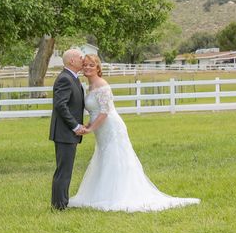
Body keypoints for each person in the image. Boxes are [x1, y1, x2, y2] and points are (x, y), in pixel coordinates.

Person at [68, 54, 200, 212]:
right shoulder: (89, 86)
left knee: (115, 157)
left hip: (111, 127)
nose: (88, 68)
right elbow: (95, 112)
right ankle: (102, 193)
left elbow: (105, 112)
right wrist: (88, 125)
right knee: (104, 157)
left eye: (91, 65)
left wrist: (90, 129)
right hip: (100, 129)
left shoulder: (102, 85)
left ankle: (118, 195)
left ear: (98, 67)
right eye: (85, 65)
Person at [49, 48, 88, 210]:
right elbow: (60, 105)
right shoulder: (65, 79)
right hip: (65, 132)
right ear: (72, 61)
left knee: (66, 169)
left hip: (67, 133)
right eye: (80, 57)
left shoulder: (73, 78)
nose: (83, 60)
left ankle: (62, 201)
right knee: (63, 170)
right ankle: (59, 205)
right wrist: (75, 125)